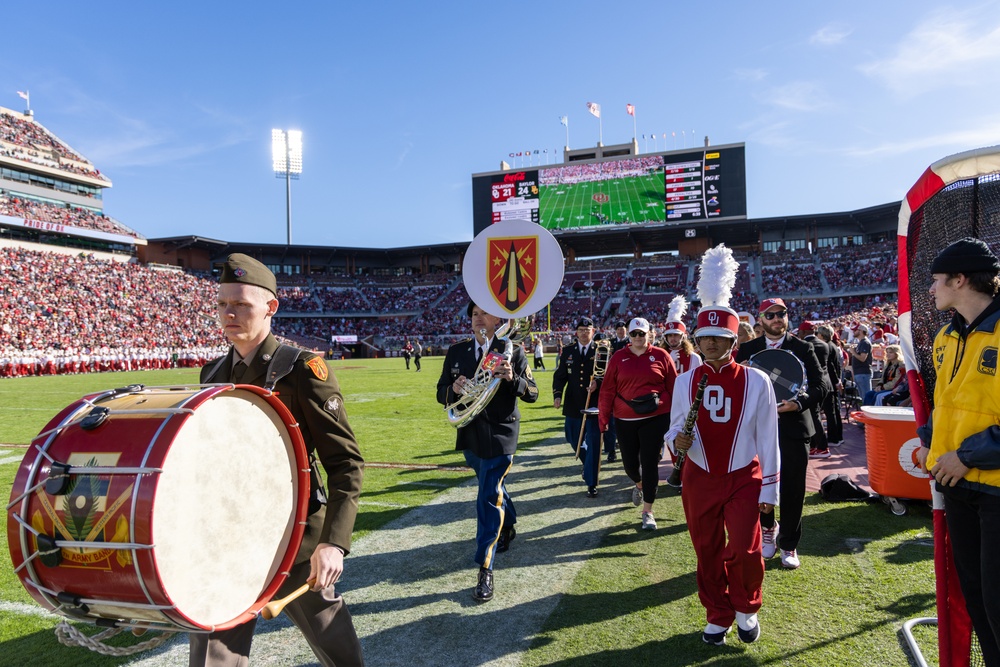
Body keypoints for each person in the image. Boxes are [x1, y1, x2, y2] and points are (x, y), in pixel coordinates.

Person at [195, 253, 365, 667]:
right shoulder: (211, 374)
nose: (229, 313)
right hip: (231, 545)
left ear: (271, 308)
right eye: (222, 304)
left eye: (241, 304)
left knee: (340, 655)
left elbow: (345, 464)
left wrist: (334, 544)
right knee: (211, 658)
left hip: (296, 544)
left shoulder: (304, 369)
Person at [666, 304, 779, 646]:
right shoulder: (685, 380)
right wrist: (676, 440)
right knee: (707, 550)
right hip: (699, 477)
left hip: (744, 474)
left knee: (745, 547)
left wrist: (769, 491)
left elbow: (768, 437)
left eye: (719, 337)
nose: (711, 344)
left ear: (733, 340)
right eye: (704, 338)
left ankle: (746, 608)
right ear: (696, 340)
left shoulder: (756, 380)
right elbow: (673, 427)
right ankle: (717, 613)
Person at [917, 237, 1000, 667]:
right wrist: (927, 437)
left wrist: (966, 455)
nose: (930, 290)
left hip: (995, 490)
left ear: (960, 279)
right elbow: (948, 401)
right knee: (978, 603)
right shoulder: (946, 336)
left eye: (936, 281)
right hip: (958, 486)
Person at [436, 302, 538, 602]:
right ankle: (510, 523)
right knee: (492, 488)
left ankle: (485, 567)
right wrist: (453, 389)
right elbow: (440, 392)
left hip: (501, 435)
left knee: (486, 497)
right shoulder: (457, 352)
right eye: (473, 314)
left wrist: (512, 379)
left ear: (497, 319)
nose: (478, 318)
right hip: (469, 434)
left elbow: (532, 394)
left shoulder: (512, 351)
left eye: (484, 313)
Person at [736, 298, 825, 570]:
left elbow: (821, 385)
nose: (777, 319)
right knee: (759, 483)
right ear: (760, 320)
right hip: (756, 428)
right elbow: (734, 383)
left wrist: (797, 403)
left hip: (794, 426)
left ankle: (788, 543)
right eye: (770, 315)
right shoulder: (746, 349)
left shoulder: (804, 347)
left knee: (793, 486)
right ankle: (766, 527)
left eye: (781, 314)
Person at [598, 317, 678, 530]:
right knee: (630, 465)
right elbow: (607, 389)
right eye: (634, 334)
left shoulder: (661, 355)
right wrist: (603, 418)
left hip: (656, 416)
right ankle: (639, 484)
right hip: (625, 419)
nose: (638, 338)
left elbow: (673, 386)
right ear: (628, 335)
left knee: (650, 462)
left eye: (642, 333)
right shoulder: (618, 357)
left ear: (650, 334)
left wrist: (675, 415)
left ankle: (648, 511)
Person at [552, 317, 603, 497]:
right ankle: (588, 465)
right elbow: (560, 376)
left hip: (594, 405)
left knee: (594, 443)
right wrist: (557, 395)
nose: (583, 333)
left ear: (593, 331)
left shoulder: (601, 351)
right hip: (573, 404)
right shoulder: (568, 351)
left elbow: (609, 375)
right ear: (576, 332)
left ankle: (591, 482)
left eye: (587, 330)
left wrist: (598, 382)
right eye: (580, 329)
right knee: (573, 439)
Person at [799, 320, 835, 459]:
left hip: (813, 384)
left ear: (804, 332)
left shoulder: (806, 346)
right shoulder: (824, 344)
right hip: (825, 382)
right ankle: (817, 445)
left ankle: (821, 447)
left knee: (814, 416)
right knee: (816, 414)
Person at [816, 324, 845, 447]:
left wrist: (836, 381)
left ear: (821, 335)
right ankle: (837, 436)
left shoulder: (826, 346)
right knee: (834, 411)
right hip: (834, 382)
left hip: (830, 383)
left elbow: (830, 367)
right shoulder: (833, 345)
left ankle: (834, 438)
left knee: (831, 412)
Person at [849, 325, 873, 398]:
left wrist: (853, 352)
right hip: (859, 373)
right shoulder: (861, 342)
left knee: (866, 397)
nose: (854, 332)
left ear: (861, 331)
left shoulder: (865, 342)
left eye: (855, 330)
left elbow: (863, 358)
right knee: (863, 397)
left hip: (863, 373)